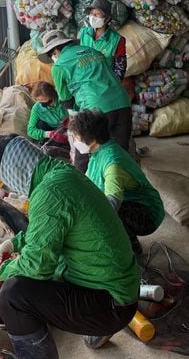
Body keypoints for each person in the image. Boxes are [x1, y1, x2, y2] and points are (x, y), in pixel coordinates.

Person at [0, 135, 139, 359]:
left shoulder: (49, 193)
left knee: (13, 296)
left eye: (5, 179)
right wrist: (12, 244)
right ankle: (96, 329)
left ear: (13, 171)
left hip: (112, 303)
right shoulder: (60, 174)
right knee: (45, 263)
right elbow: (46, 232)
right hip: (121, 287)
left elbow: (38, 266)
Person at [68, 109, 163, 257]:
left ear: (91, 139)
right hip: (128, 202)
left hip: (147, 213)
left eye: (75, 137)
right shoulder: (99, 150)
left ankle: (133, 252)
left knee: (105, 212)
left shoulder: (113, 164)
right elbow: (86, 183)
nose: (74, 141)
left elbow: (111, 204)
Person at [37, 29, 131, 170]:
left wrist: (75, 113)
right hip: (123, 103)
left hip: (95, 109)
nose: (52, 58)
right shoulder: (92, 51)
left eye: (51, 54)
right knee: (120, 156)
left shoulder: (59, 65)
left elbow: (66, 99)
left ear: (55, 50)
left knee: (83, 157)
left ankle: (83, 189)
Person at [78, 0, 127, 81]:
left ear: (107, 18)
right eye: (91, 14)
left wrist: (113, 85)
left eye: (97, 14)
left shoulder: (117, 40)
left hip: (105, 83)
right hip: (85, 82)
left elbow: (120, 69)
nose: (92, 17)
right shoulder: (83, 33)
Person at [27, 81, 70, 161]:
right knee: (40, 125)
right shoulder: (37, 109)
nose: (41, 102)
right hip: (51, 131)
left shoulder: (62, 98)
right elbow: (30, 130)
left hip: (68, 126)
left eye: (44, 99)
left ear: (52, 95)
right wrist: (48, 134)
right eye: (39, 100)